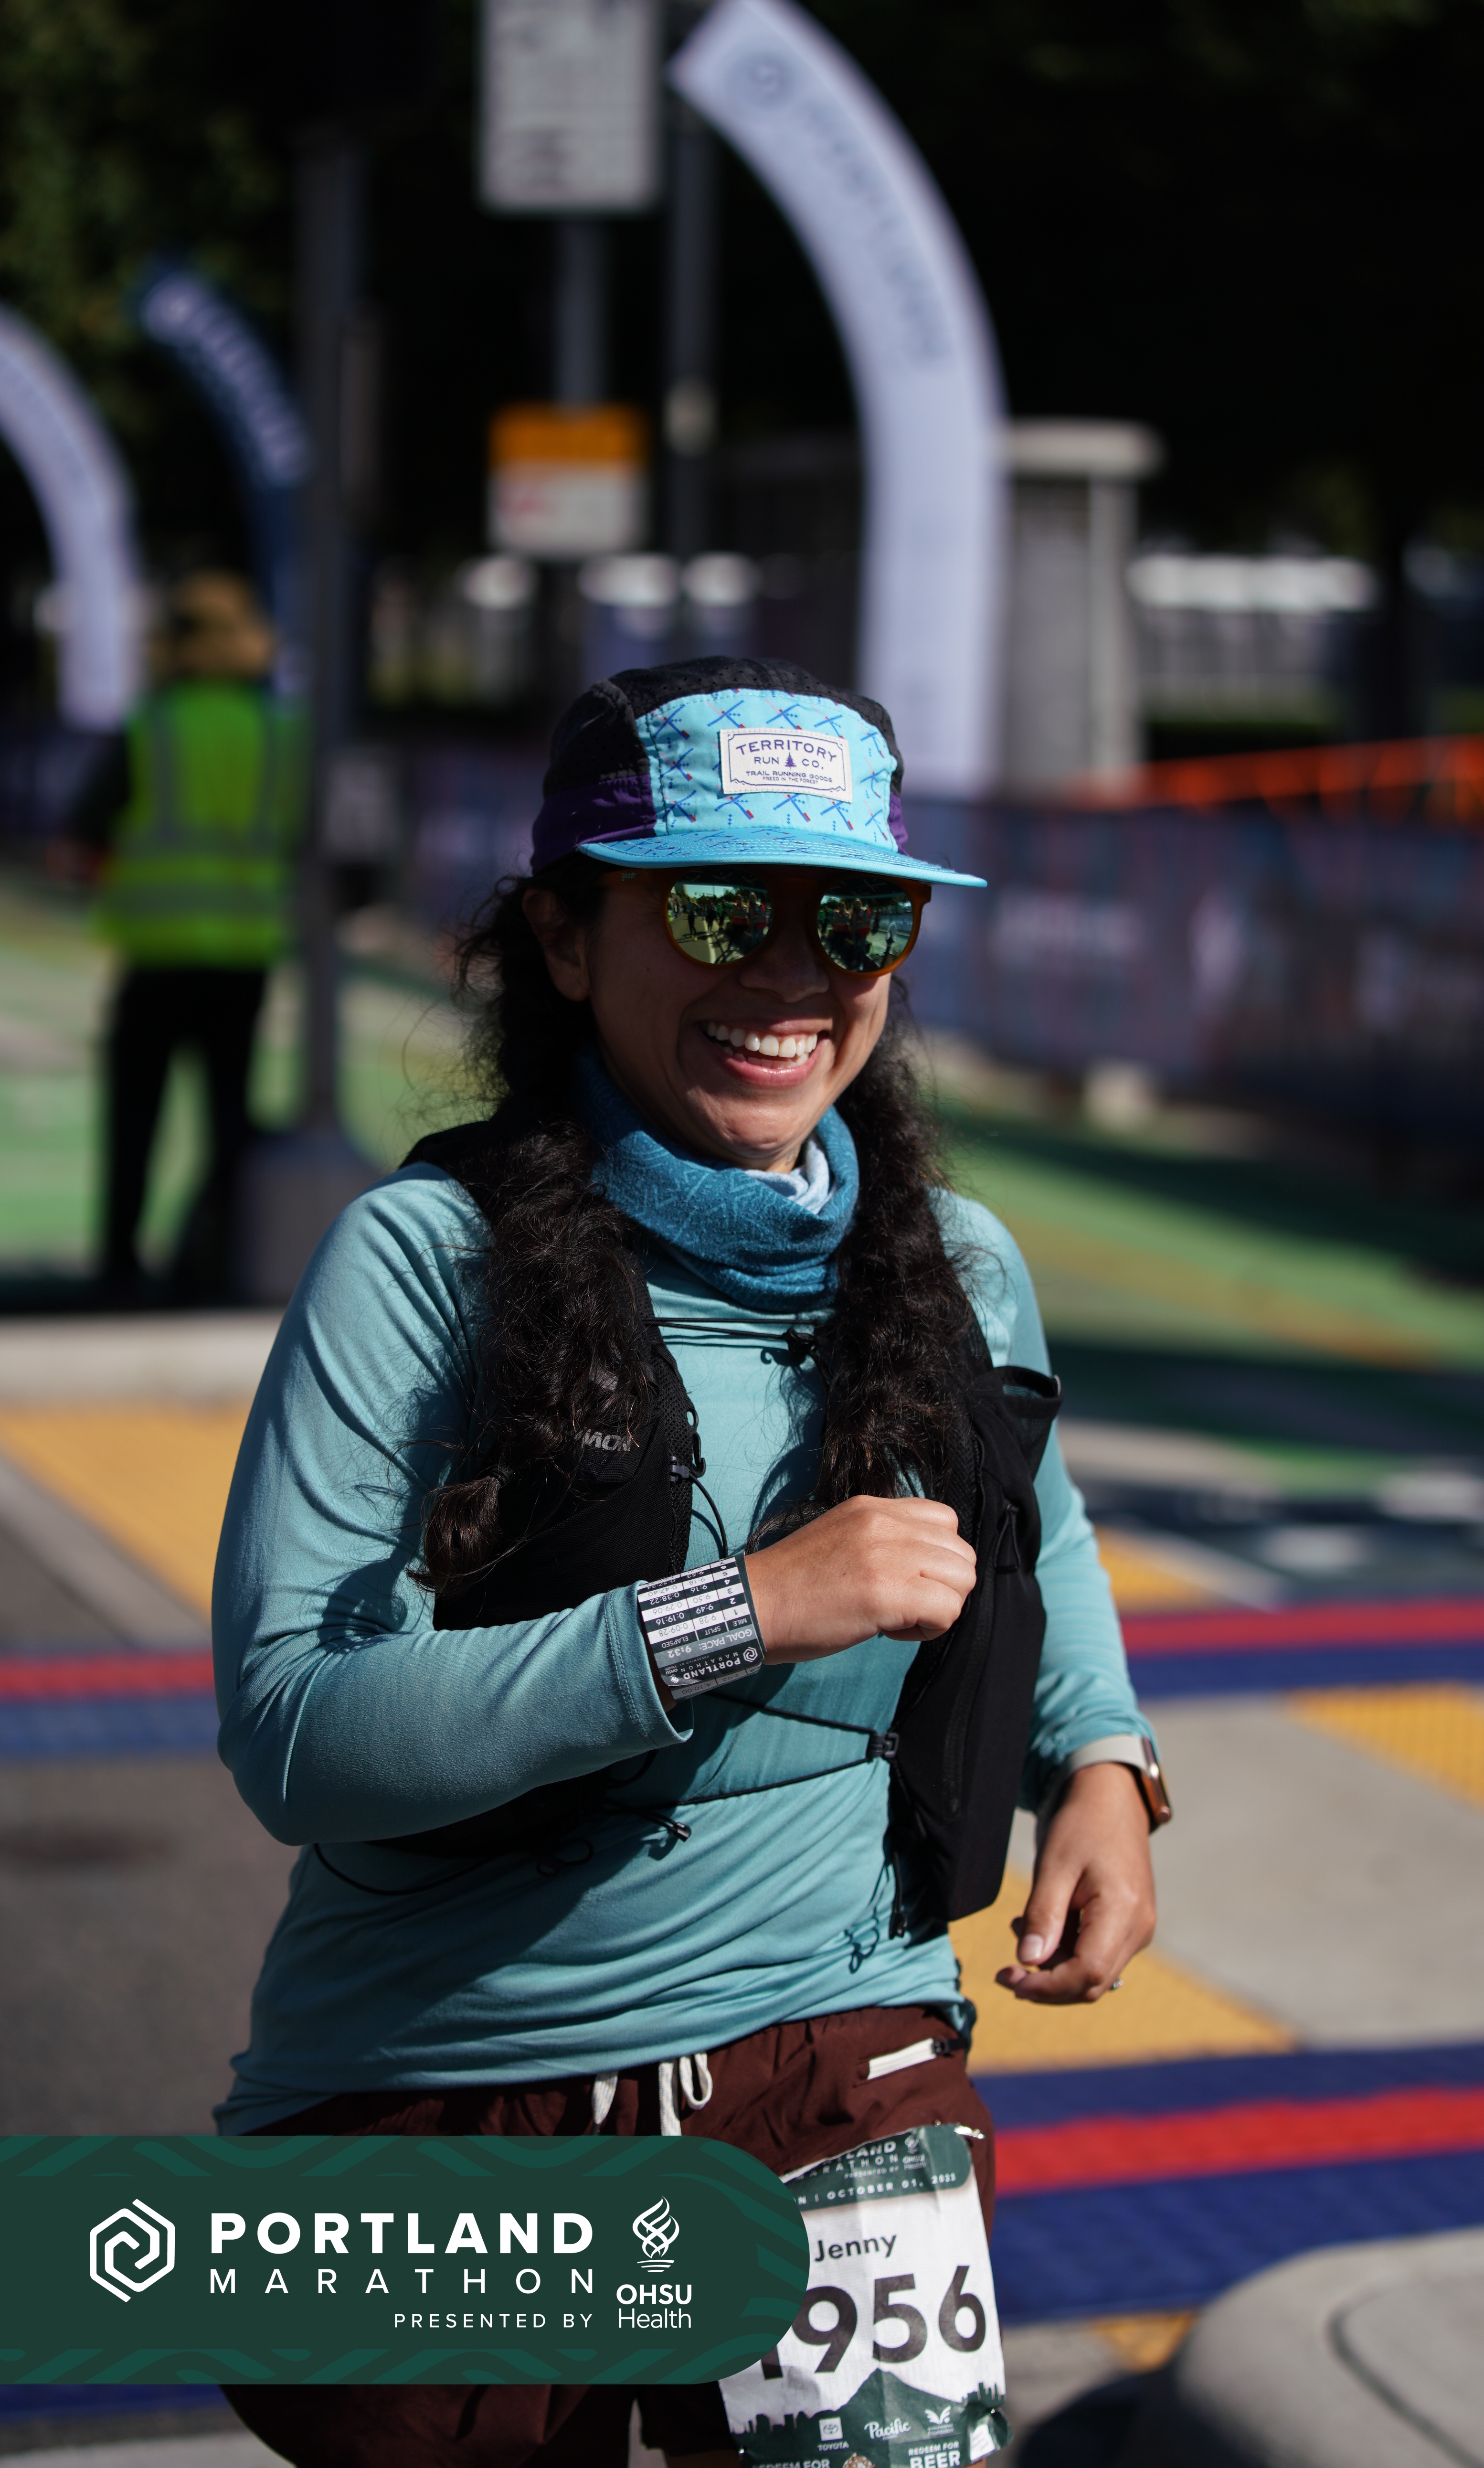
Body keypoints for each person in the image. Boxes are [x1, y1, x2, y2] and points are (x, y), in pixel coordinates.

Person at [212, 656, 1166, 2468]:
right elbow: (295, 1734)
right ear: (565, 940)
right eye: (720, 909)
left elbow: (1028, 1525)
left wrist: (1103, 1762)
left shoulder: (960, 1262)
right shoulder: (421, 1262)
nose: (793, 973)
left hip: (839, 2053)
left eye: (857, 918)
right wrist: (741, 1613)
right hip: (449, 2094)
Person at [64, 571, 307, 1301]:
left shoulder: (153, 725)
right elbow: (304, 836)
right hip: (244, 952)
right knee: (228, 1121)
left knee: (134, 1116)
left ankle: (119, 1267)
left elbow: (79, 839)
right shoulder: (280, 731)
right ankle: (206, 1259)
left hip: (157, 951)